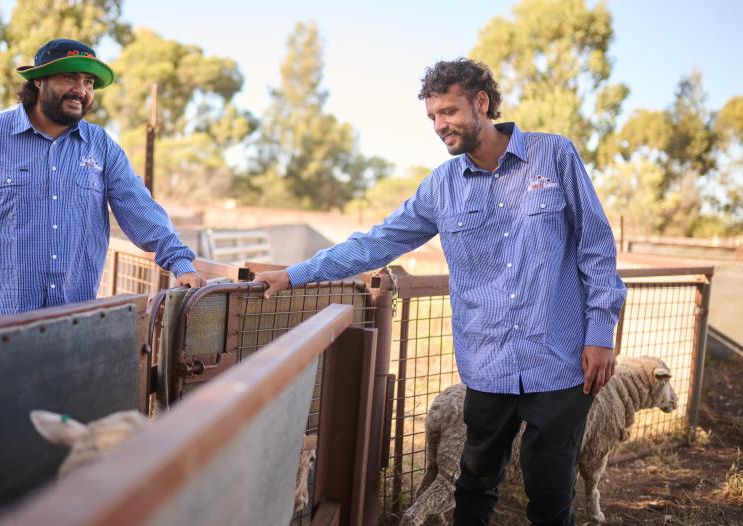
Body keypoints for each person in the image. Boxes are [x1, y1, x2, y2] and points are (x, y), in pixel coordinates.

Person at [257, 58, 626, 526]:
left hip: (560, 359)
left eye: (449, 112)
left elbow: (596, 247)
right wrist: (295, 274)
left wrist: (600, 333)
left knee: (551, 494)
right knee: (473, 485)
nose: (440, 125)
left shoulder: (554, 157)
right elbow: (376, 242)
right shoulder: (442, 187)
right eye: (433, 116)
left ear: (482, 103)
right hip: (488, 364)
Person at [0, 38, 203, 321]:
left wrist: (180, 263)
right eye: (69, 78)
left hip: (72, 325)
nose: (81, 90)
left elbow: (138, 207)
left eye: (88, 83)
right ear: (39, 80)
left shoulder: (102, 146)